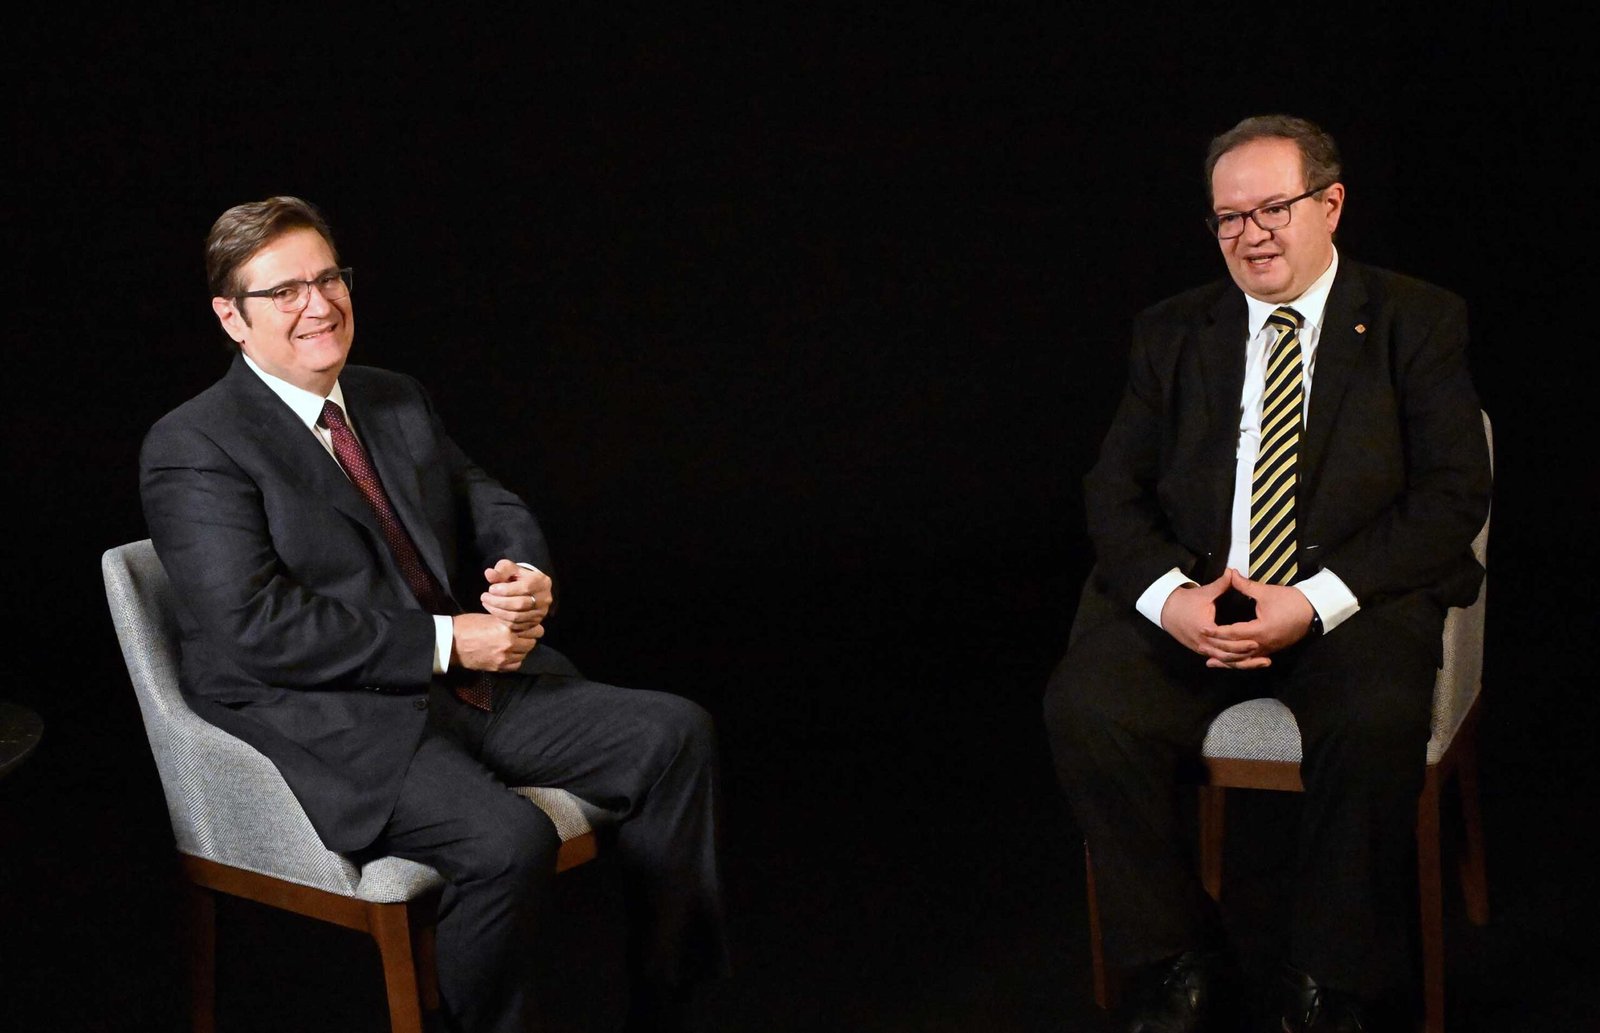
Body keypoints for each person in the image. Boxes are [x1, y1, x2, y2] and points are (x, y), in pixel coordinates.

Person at [140, 197, 729, 1033]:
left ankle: (670, 1009)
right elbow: (255, 624)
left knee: (675, 735)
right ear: (231, 317)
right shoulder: (193, 444)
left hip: (462, 685)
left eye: (329, 278)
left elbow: (484, 497)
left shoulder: (391, 397)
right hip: (329, 712)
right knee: (508, 842)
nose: (319, 305)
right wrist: (449, 638)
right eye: (285, 292)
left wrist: (523, 572)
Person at [1043, 116, 1491, 1033]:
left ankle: (1327, 976)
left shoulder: (1416, 319)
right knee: (1087, 707)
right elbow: (1111, 489)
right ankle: (1178, 959)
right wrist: (1171, 599)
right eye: (1229, 217)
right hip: (1202, 600)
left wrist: (1313, 603)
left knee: (1373, 721)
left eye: (1274, 208)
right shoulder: (1173, 331)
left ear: (1331, 204)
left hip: (1348, 602)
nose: (1251, 234)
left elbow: (1453, 496)